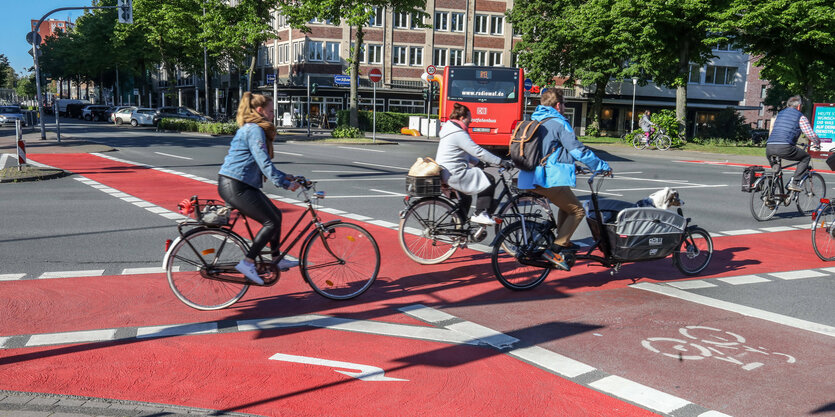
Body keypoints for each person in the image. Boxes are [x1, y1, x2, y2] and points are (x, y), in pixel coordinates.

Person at [517, 89, 611, 270]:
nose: (565, 107)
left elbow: (548, 151)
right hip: (548, 179)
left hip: (529, 177)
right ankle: (555, 248)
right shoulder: (560, 123)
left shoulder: (535, 121)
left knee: (566, 204)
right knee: (578, 212)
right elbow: (578, 150)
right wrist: (601, 166)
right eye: (565, 104)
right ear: (558, 105)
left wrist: (572, 166)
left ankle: (564, 241)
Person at [218, 92, 300, 285]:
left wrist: (283, 175)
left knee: (276, 215)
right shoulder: (254, 129)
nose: (273, 115)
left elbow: (261, 163)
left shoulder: (254, 128)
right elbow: (263, 162)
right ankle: (247, 262)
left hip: (241, 183)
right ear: (260, 111)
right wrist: (285, 184)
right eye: (271, 111)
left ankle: (275, 259)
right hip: (235, 185)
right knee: (270, 221)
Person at [435, 103, 513, 225]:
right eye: (469, 119)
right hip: (454, 173)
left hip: (446, 172)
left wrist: (477, 163)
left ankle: (457, 227)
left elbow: (464, 152)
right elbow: (478, 151)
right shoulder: (458, 133)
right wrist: (500, 161)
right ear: (462, 118)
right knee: (489, 179)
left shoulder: (449, 129)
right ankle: (481, 213)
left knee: (466, 198)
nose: (470, 122)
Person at [766, 95, 821, 191]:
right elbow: (809, 133)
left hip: (769, 147)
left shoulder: (780, 114)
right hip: (785, 147)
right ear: (799, 106)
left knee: (776, 170)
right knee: (805, 157)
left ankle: (770, 194)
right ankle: (794, 183)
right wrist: (817, 143)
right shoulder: (800, 116)